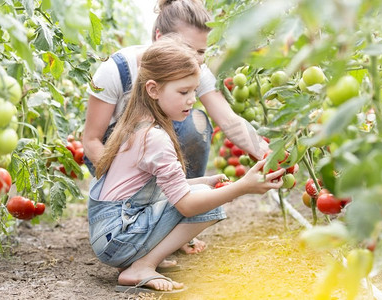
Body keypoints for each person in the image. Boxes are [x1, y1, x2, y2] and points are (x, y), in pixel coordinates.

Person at [88, 36, 285, 294]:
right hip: (117, 238)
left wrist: (205, 181)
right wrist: (241, 187)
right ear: (153, 89)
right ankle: (142, 265)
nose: (192, 99)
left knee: (204, 190)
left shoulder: (138, 123)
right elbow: (186, 204)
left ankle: (140, 258)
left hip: (111, 231)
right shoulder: (155, 138)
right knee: (207, 202)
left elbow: (150, 188)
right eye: (183, 92)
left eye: (194, 91)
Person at [83, 0, 270, 255]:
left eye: (203, 52)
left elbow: (229, 121)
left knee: (196, 123)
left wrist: (267, 153)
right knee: (178, 186)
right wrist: (124, 184)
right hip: (113, 154)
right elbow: (92, 140)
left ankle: (174, 218)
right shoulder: (115, 70)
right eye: (189, 48)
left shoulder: (193, 71)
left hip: (156, 156)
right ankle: (162, 213)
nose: (197, 59)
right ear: (159, 37)